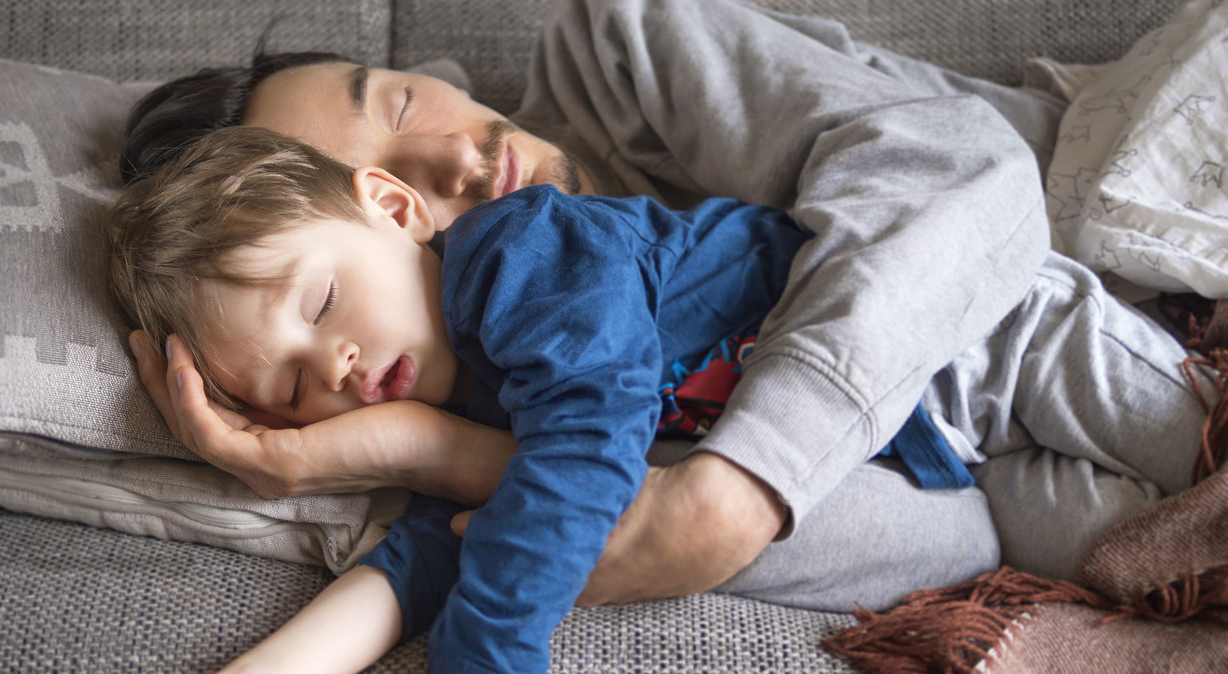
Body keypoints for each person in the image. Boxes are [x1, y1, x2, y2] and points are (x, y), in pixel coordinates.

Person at [118, 0, 1143, 610]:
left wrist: (732, 492)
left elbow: (960, 171)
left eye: (393, 105)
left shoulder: (623, 50)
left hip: (1117, 245)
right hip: (989, 458)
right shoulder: (475, 369)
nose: (452, 168)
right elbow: (949, 532)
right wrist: (433, 450)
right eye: (397, 189)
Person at [109, 125, 1212, 674]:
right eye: (293, 391)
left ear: (394, 209)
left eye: (324, 302)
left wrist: (487, 651)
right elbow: (408, 570)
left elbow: (585, 443)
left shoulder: (520, 256)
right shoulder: (448, 435)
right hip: (938, 477)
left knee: (1198, 450)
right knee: (1135, 561)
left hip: (981, 338)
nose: (337, 367)